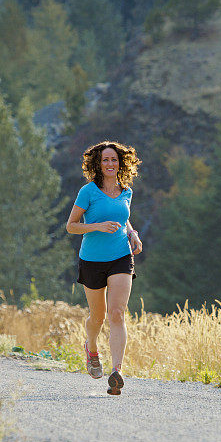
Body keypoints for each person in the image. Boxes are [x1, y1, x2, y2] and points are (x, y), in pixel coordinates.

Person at [66, 141, 143, 395]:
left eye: (114, 159)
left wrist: (132, 233)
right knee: (97, 317)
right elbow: (71, 226)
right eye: (105, 160)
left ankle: (117, 371)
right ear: (98, 165)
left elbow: (124, 216)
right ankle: (91, 347)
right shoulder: (88, 191)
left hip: (121, 256)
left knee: (117, 314)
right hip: (92, 260)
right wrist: (96, 226)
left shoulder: (126, 191)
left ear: (121, 163)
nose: (110, 164)